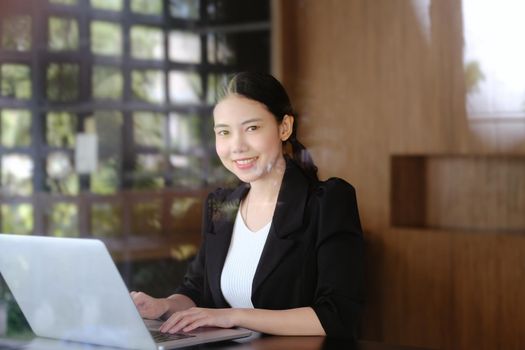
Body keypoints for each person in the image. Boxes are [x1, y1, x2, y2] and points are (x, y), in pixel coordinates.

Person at [131, 72, 364, 338]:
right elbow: (196, 290)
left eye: (252, 128)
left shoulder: (328, 202)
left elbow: (336, 316)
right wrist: (164, 306)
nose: (237, 146)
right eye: (224, 132)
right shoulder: (222, 205)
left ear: (284, 127)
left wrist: (234, 317)